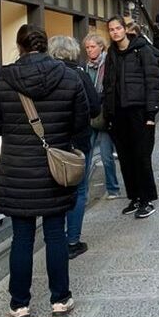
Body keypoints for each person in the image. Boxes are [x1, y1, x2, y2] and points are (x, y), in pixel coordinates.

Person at [0, 24, 88, 317]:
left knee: (22, 237)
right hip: (55, 170)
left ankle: (20, 305)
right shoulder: (69, 76)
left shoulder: (3, 78)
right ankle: (59, 300)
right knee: (56, 234)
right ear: (45, 46)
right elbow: (81, 124)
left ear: (20, 47)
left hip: (17, 171)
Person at [103, 17, 159, 219]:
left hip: (139, 111)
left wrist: (151, 113)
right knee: (126, 158)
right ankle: (134, 197)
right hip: (118, 113)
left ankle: (147, 199)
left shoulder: (141, 49)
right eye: (111, 29)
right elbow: (108, 84)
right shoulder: (111, 53)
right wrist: (108, 113)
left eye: (118, 28)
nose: (115, 32)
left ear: (125, 29)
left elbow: (153, 81)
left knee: (141, 156)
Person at [50, 36, 102, 259]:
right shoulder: (79, 73)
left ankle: (55, 239)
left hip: (51, 143)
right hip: (78, 142)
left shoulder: (46, 75)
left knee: (54, 190)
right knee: (79, 190)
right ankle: (72, 241)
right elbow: (94, 107)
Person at [82, 32, 121, 200]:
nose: (90, 50)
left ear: (101, 46)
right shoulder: (85, 67)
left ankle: (113, 188)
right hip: (89, 115)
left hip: (105, 114)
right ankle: (83, 191)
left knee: (106, 155)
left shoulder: (109, 63)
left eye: (92, 47)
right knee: (85, 156)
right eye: (87, 48)